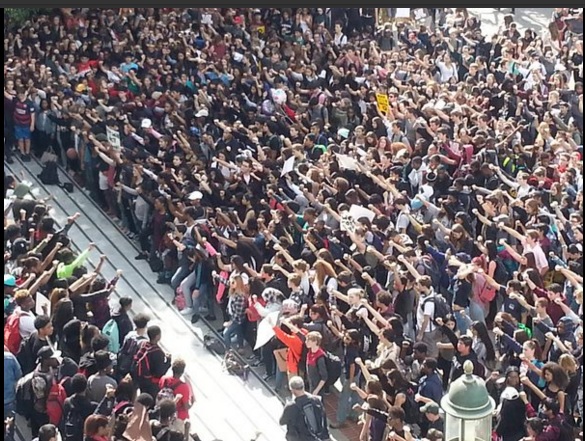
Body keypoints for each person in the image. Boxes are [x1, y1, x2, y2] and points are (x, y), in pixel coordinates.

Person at [279, 376, 330, 441]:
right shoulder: (316, 400)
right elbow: (323, 419)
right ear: (303, 386)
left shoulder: (291, 407)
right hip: (315, 437)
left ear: (292, 390)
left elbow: (282, 422)